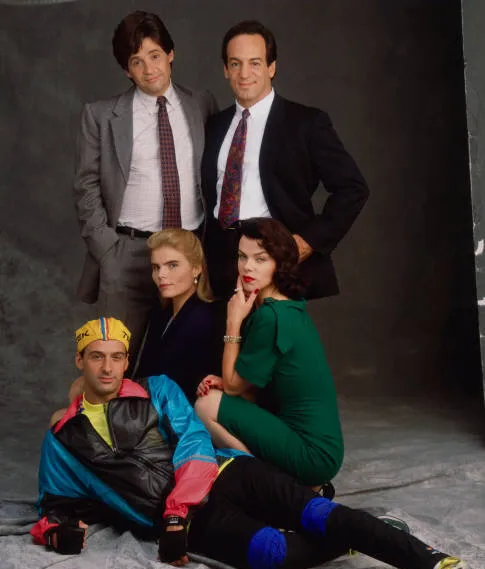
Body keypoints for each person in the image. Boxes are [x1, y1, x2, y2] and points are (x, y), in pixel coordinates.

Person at [31, 319, 483, 569]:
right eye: (97, 356)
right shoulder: (62, 441)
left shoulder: (157, 389)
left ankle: (442, 567)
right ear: (80, 360)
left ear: (127, 360)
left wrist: (175, 513)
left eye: (117, 356)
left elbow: (193, 442)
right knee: (270, 555)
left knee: (318, 513)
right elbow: (53, 504)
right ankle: (364, 533)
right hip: (191, 521)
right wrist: (56, 532)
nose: (107, 367)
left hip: (222, 474)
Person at [74, 11, 217, 357]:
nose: (149, 69)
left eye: (155, 56)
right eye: (136, 62)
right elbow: (85, 186)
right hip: (128, 253)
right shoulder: (101, 116)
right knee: (112, 359)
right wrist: (108, 250)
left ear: (170, 54)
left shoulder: (201, 104)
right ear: (127, 70)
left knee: (189, 358)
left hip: (189, 251)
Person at [202, 20, 370, 299]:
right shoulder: (215, 125)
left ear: (271, 67)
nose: (244, 73)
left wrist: (307, 242)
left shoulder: (305, 123)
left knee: (271, 328)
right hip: (221, 261)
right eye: (235, 63)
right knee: (225, 328)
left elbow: (353, 189)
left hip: (275, 258)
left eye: (255, 63)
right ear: (225, 70)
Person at [195, 218, 343, 487]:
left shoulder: (271, 316)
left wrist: (233, 322)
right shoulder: (286, 306)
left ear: (279, 263)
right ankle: (282, 484)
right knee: (219, 397)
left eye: (260, 259)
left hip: (312, 454)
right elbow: (253, 387)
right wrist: (228, 384)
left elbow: (233, 386)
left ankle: (268, 486)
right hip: (319, 449)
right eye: (242, 256)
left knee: (206, 405)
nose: (247, 267)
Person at [133, 229, 223, 403]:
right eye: (156, 267)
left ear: (196, 268)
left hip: (178, 412)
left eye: (172, 265)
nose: (161, 275)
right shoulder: (163, 311)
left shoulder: (203, 319)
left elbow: (190, 390)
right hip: (148, 404)